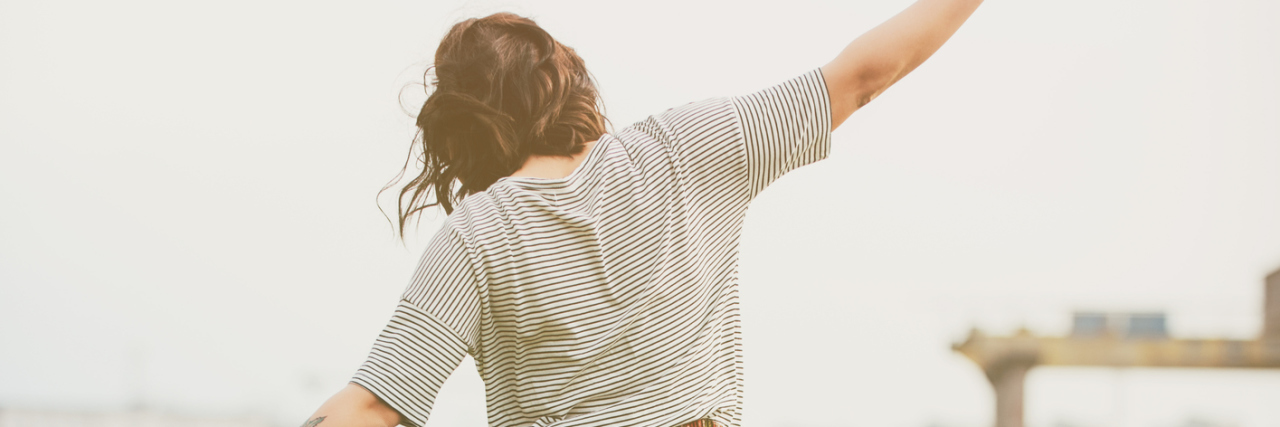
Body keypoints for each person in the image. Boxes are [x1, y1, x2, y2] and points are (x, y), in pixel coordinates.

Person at [303, 1, 983, 426]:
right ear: (565, 79)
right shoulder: (686, 148)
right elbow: (863, 76)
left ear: (462, 128)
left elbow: (375, 405)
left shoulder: (477, 234)